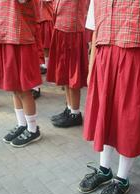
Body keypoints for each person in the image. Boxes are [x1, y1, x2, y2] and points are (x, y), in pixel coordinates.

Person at [79, 1, 140, 194]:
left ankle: (122, 179)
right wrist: (91, 67)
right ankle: (104, 170)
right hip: (104, 58)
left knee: (128, 118)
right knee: (105, 115)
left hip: (134, 57)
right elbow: (96, 30)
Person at [0, 0, 42, 147]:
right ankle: (22, 124)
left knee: (23, 89)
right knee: (14, 87)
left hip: (21, 40)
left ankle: (32, 129)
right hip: (4, 37)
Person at [46, 0, 89, 128]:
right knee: (65, 74)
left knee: (72, 76)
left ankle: (75, 113)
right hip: (61, 29)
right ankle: (70, 108)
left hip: (72, 32)